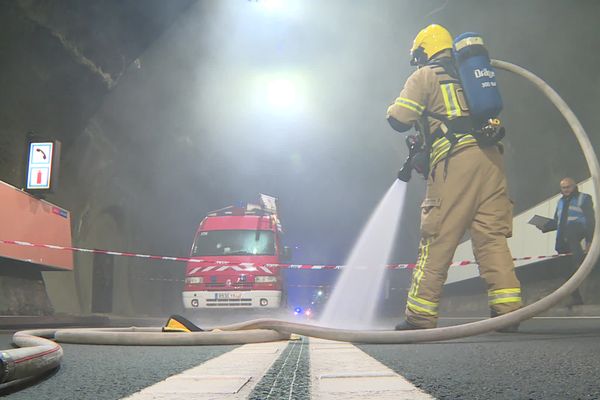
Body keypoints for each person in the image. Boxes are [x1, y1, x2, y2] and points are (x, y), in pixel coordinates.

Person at [386, 24, 522, 330]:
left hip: (455, 160)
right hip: (491, 161)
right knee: (491, 239)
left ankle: (419, 317)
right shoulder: (469, 75)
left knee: (437, 237)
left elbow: (398, 118)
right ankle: (508, 311)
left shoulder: (425, 75)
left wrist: (396, 108)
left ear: (423, 50)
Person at [539, 177, 595, 306]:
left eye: (568, 187)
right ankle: (576, 298)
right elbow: (557, 222)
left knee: (571, 230)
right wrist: (544, 226)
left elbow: (590, 220)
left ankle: (579, 260)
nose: (566, 190)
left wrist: (589, 240)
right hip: (563, 239)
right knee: (566, 271)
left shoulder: (583, 198)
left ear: (574, 186)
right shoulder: (560, 202)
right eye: (563, 188)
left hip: (577, 232)